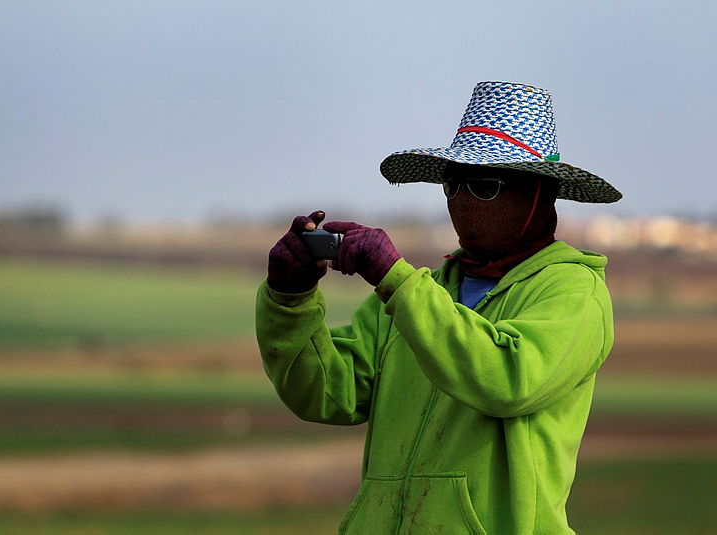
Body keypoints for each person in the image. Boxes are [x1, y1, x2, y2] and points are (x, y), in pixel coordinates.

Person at [256, 81, 622, 534]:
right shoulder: (419, 296)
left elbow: (508, 380)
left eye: (484, 186)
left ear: (537, 195)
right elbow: (327, 393)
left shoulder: (572, 292)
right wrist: (289, 297)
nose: (463, 202)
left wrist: (396, 279)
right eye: (452, 185)